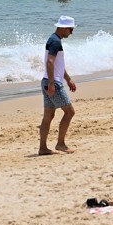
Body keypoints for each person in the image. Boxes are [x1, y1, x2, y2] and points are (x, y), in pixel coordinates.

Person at [39, 16, 77, 155]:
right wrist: (52, 83)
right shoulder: (55, 41)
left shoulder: (54, 39)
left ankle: (43, 148)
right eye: (70, 29)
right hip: (52, 82)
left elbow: (57, 65)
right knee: (70, 111)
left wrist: (68, 79)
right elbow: (50, 62)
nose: (71, 32)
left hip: (47, 81)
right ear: (63, 28)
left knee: (48, 115)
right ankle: (60, 144)